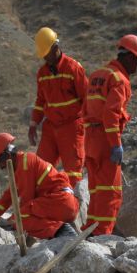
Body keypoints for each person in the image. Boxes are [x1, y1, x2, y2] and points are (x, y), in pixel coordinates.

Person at [82, 34, 137, 234]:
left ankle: (90, 230)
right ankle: (102, 234)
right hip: (105, 140)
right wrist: (115, 144)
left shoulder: (97, 74)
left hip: (90, 139)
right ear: (130, 57)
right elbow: (111, 114)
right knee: (111, 192)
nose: (136, 68)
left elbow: (85, 108)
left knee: (95, 189)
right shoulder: (119, 79)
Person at [0, 133, 78, 239]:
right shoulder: (20, 167)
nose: (2, 167)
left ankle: (62, 230)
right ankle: (58, 231)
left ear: (7, 155)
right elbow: (7, 198)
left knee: (20, 221)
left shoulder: (25, 165)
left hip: (61, 202)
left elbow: (26, 201)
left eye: (0, 162)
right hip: (60, 205)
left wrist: (9, 222)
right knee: (20, 220)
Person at [29, 27, 88, 187]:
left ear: (56, 47)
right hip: (51, 127)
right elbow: (40, 101)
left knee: (73, 175)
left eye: (46, 54)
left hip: (71, 127)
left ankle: (75, 202)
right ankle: (44, 201)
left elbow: (86, 99)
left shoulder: (73, 68)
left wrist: (92, 126)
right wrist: (33, 124)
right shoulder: (42, 74)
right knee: (40, 171)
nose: (45, 58)